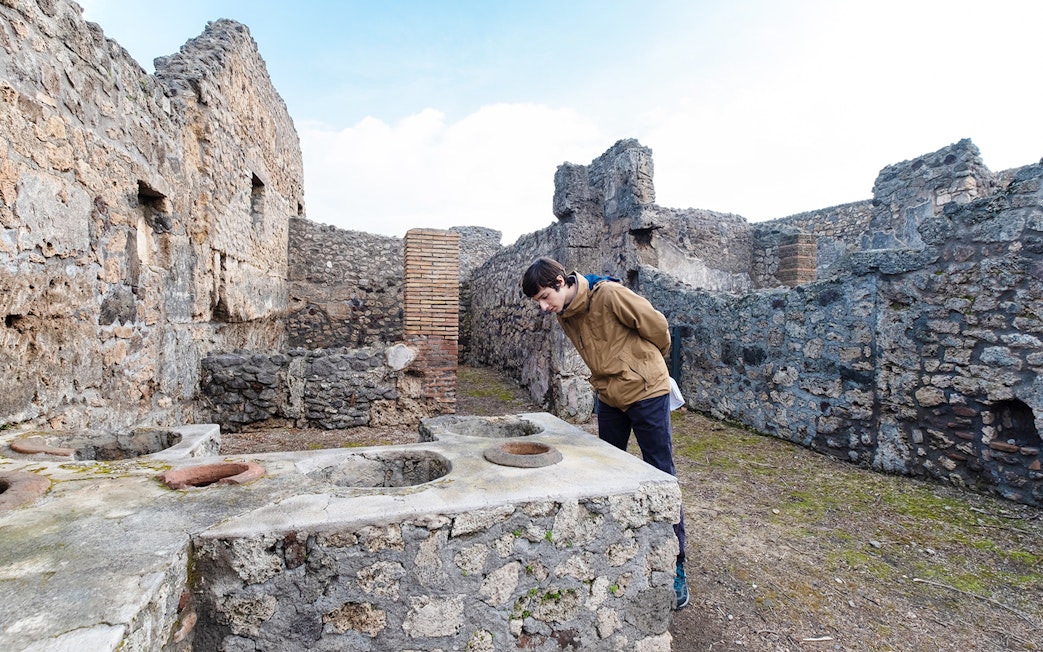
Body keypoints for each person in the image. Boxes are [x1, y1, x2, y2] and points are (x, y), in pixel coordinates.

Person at [521, 256, 689, 610]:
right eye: (537, 301)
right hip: (609, 395)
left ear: (559, 282)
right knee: (606, 470)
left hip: (646, 391)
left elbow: (658, 327)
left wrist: (643, 365)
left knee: (660, 471)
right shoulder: (565, 312)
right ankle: (614, 550)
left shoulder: (609, 294)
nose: (542, 307)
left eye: (543, 297)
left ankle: (676, 564)